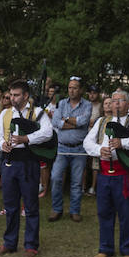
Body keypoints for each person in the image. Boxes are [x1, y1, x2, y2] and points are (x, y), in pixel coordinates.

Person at [83, 90, 129, 257]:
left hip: (123, 173)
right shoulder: (102, 121)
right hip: (105, 172)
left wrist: (123, 143)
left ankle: (127, 249)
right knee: (104, 211)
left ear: (128, 104)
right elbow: (87, 142)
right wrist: (99, 150)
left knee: (126, 212)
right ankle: (105, 248)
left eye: (120, 100)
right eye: (114, 101)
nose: (117, 104)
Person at [0, 79, 53, 257]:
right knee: (10, 205)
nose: (12, 98)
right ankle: (9, 242)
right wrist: (2, 144)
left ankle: (31, 245)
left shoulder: (37, 113)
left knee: (31, 205)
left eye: (16, 95)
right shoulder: (5, 114)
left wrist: (26, 139)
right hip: (9, 162)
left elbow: (48, 133)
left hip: (28, 162)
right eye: (11, 94)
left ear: (26, 95)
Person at [49, 76, 92, 222]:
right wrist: (74, 122)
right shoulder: (61, 103)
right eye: (69, 87)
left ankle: (75, 210)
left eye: (75, 87)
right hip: (62, 148)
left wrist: (65, 119)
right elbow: (55, 122)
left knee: (77, 182)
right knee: (55, 178)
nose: (71, 90)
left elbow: (84, 121)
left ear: (80, 90)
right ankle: (56, 209)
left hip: (79, 149)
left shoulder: (87, 105)